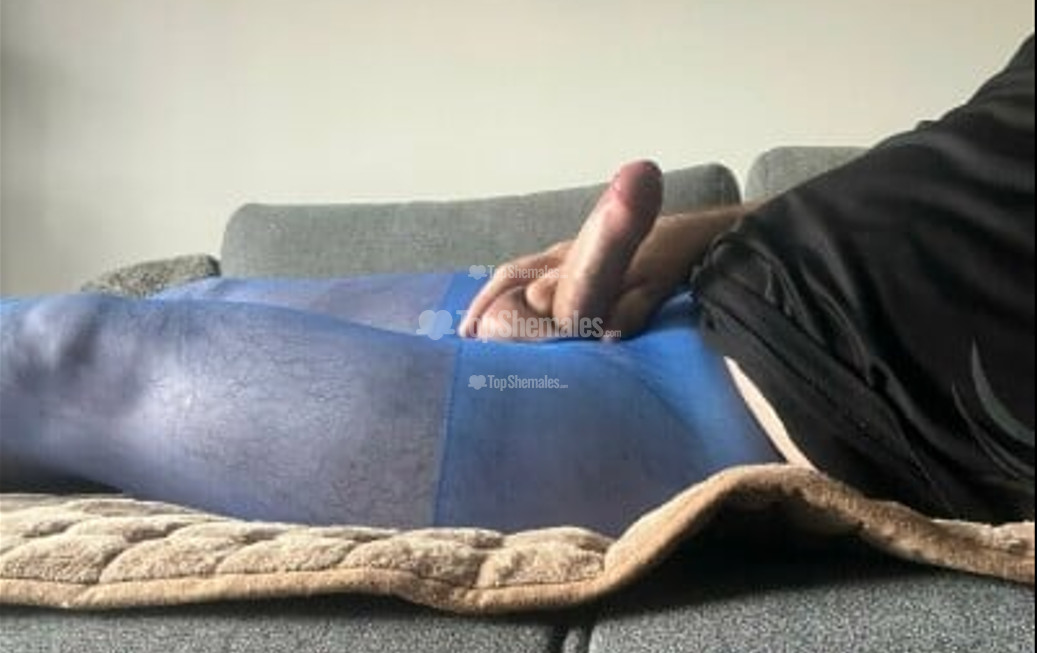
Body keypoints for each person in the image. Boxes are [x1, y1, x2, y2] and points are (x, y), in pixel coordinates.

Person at [1, 36, 1032, 535]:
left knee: (59, 357)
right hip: (680, 288)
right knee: (184, 306)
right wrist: (705, 228)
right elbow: (955, 160)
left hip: (731, 412)